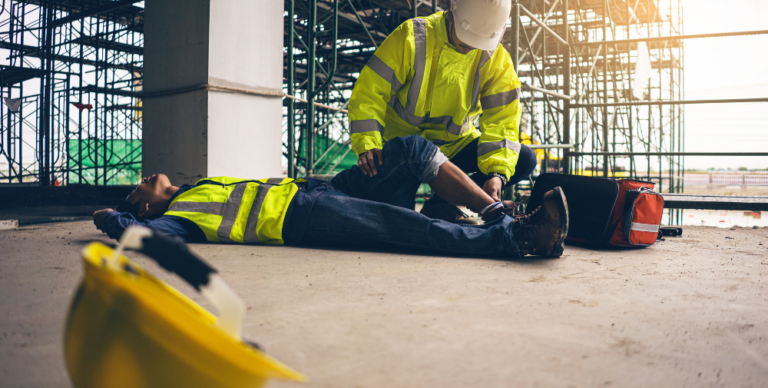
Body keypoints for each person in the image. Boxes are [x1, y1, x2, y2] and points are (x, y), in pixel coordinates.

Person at [93, 136, 568, 258]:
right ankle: (517, 239)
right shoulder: (176, 217)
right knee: (405, 229)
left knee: (408, 153)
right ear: (146, 203)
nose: (146, 176)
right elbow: (139, 234)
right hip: (303, 218)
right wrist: (112, 216)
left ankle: (492, 212)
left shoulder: (195, 187)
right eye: (138, 187)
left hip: (312, 190)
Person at [348, 0, 537, 225]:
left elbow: (502, 121)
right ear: (453, 12)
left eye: (477, 43)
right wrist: (368, 144)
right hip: (405, 152)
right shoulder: (413, 37)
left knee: (525, 159)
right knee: (398, 218)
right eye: (465, 40)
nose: (470, 47)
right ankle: (433, 198)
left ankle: (444, 203)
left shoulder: (496, 61)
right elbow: (369, 92)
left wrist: (496, 174)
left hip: (454, 148)